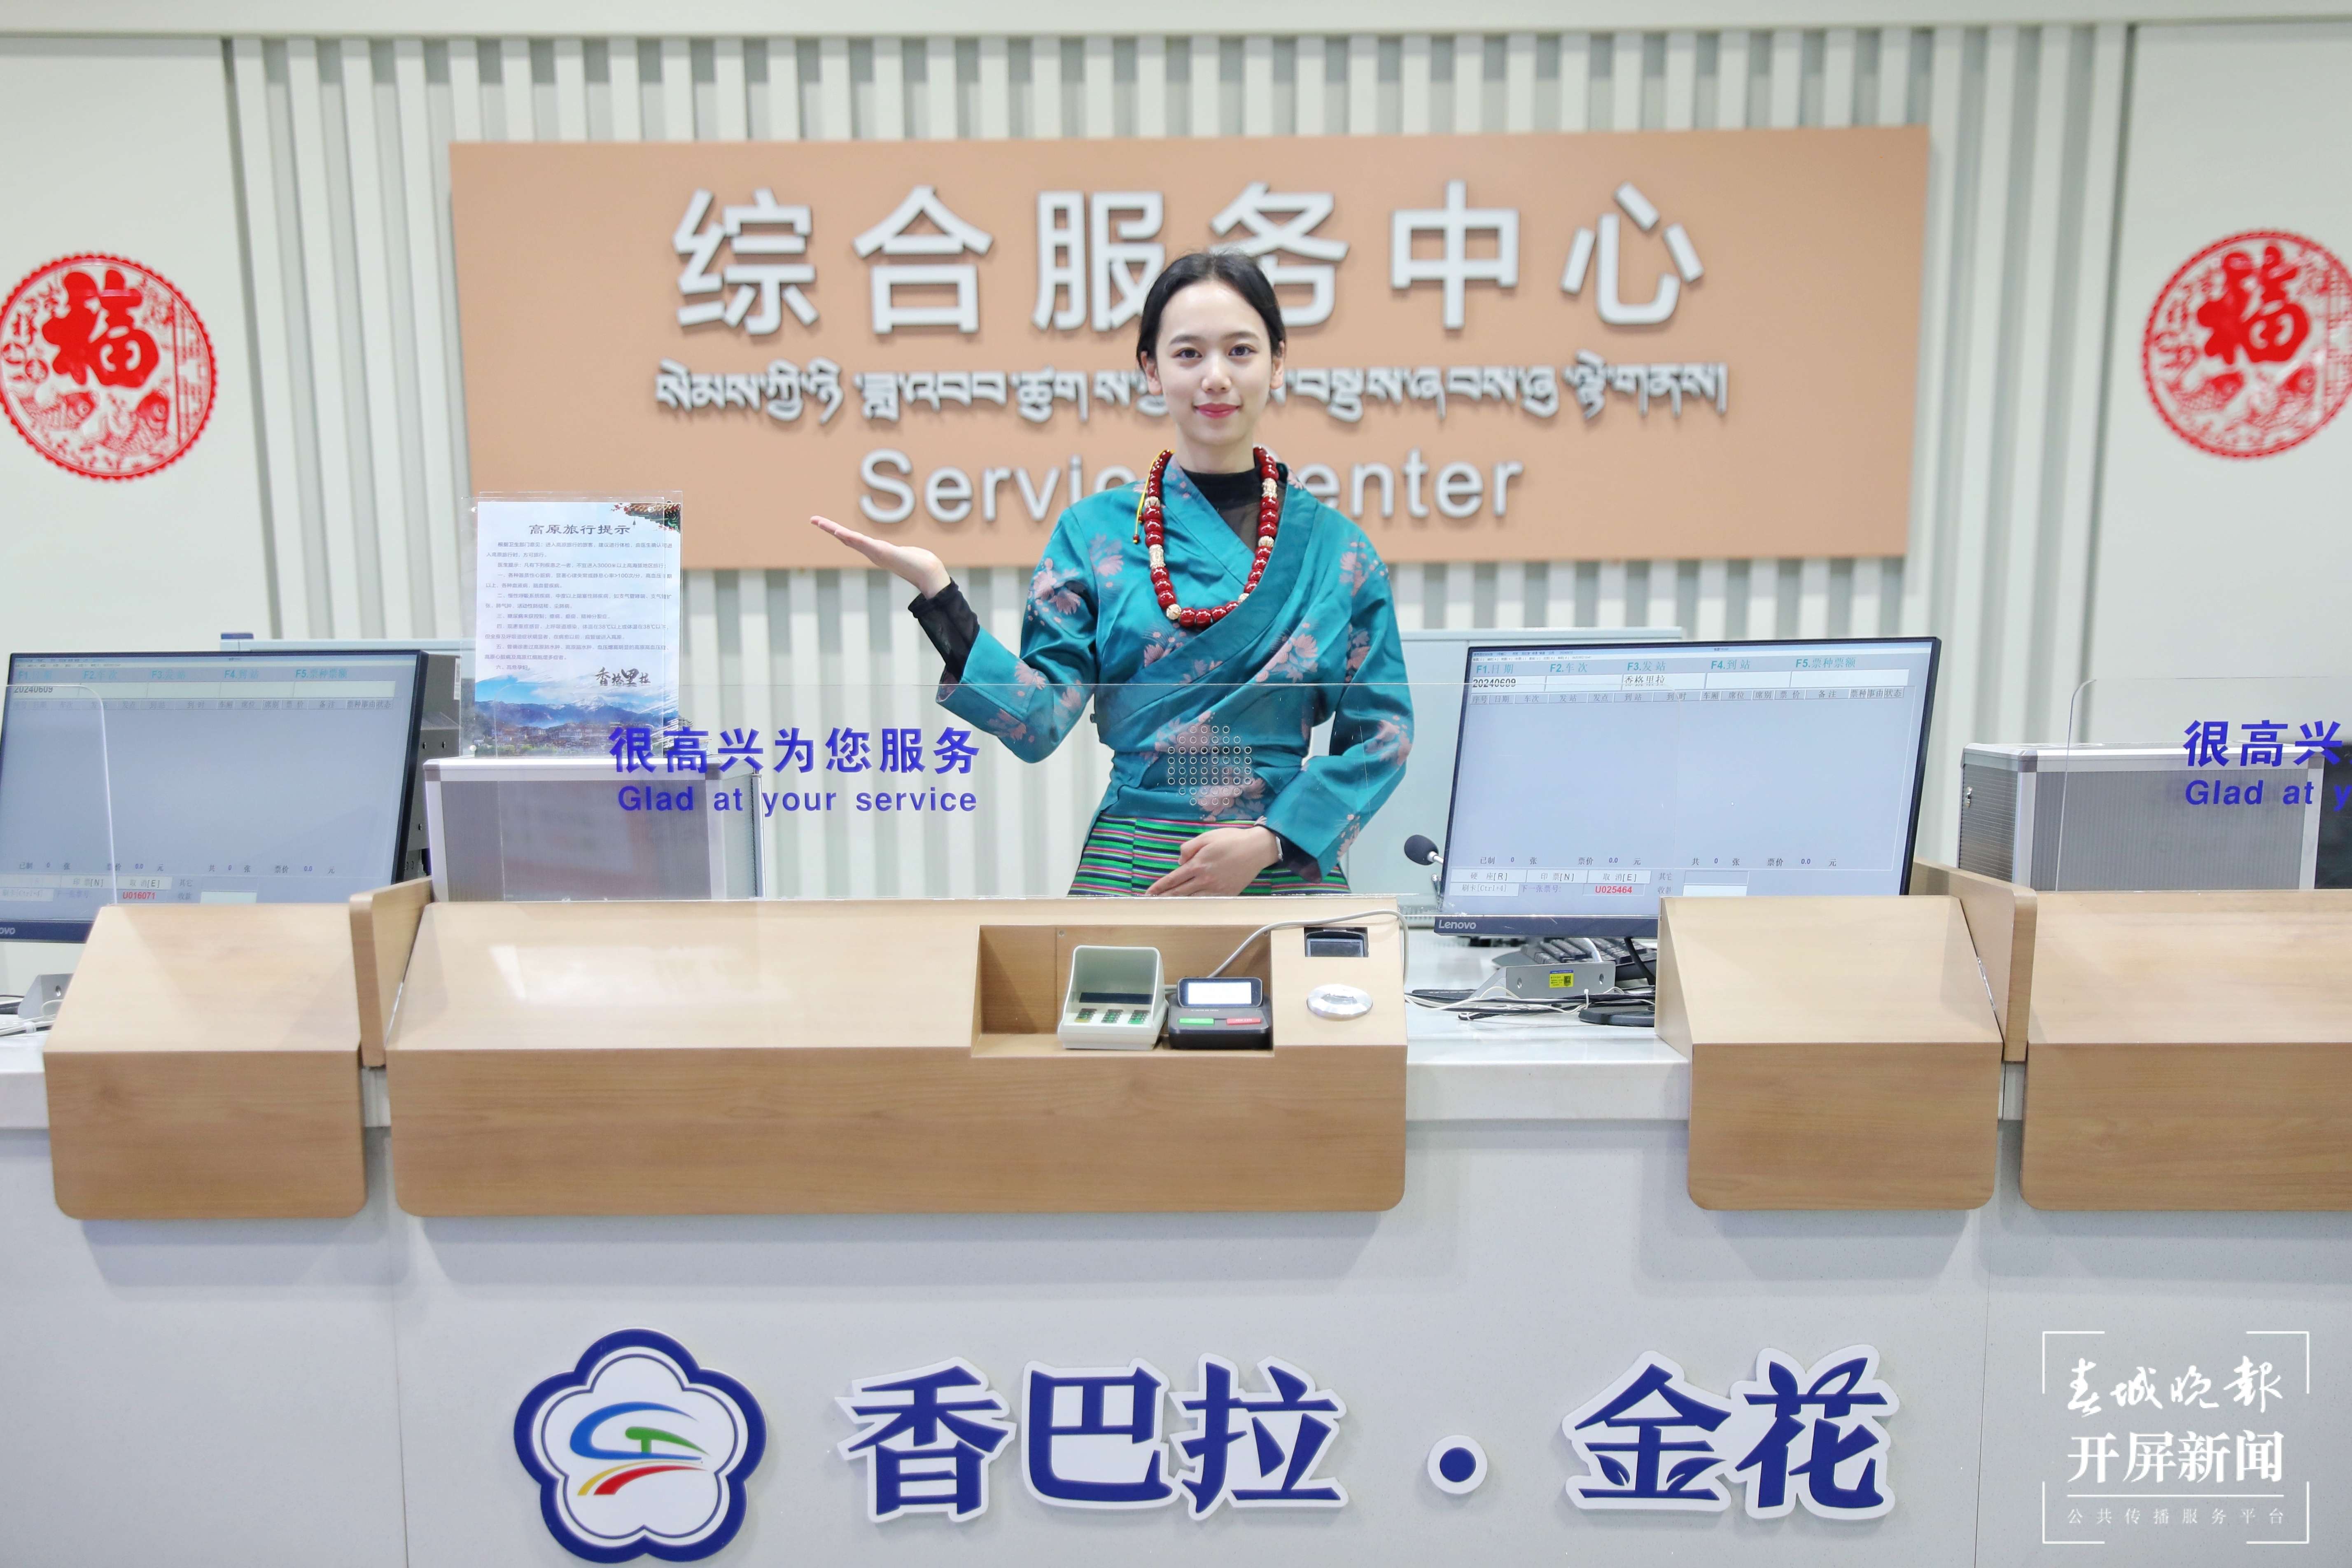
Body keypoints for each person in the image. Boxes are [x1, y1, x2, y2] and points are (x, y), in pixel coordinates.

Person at [811, 250, 1412, 896]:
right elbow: (1038, 721)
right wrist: (940, 598)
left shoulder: (1340, 551)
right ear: (1151, 369)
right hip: (1135, 864)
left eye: (1241, 351)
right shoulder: (1092, 533)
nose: (1216, 377)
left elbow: (1384, 736)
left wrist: (1269, 841)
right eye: (1188, 354)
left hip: (1279, 866)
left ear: (1278, 362)